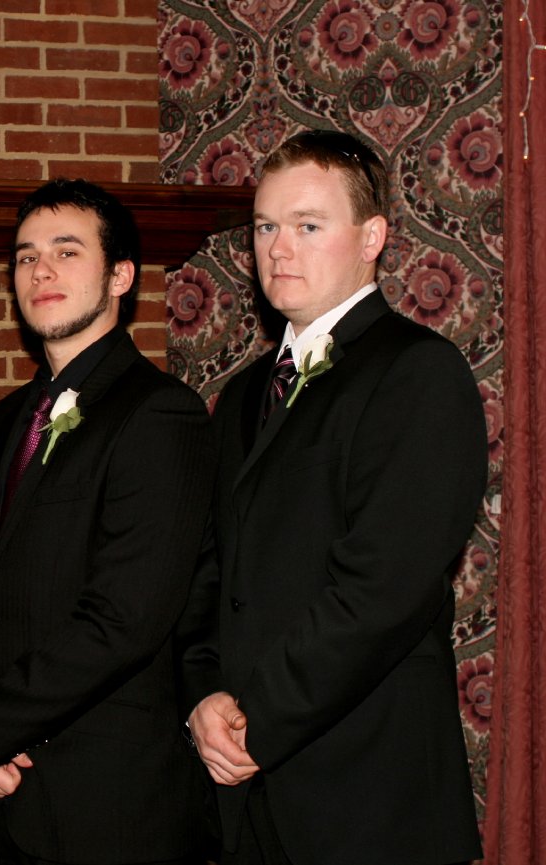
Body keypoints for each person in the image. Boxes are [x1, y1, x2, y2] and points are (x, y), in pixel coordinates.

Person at [179, 129, 487, 865]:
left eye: (308, 226)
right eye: (265, 227)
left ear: (371, 237)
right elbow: (208, 566)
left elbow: (381, 591)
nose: (279, 249)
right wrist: (202, 694)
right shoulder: (244, 392)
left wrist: (260, 720)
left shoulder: (419, 373)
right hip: (244, 799)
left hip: (369, 796)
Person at [0, 178, 215, 865]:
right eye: (26, 256)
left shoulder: (160, 413)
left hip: (111, 803)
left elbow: (126, 616)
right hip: (11, 792)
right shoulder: (7, 419)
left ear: (120, 276)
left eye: (67, 251)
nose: (41, 271)